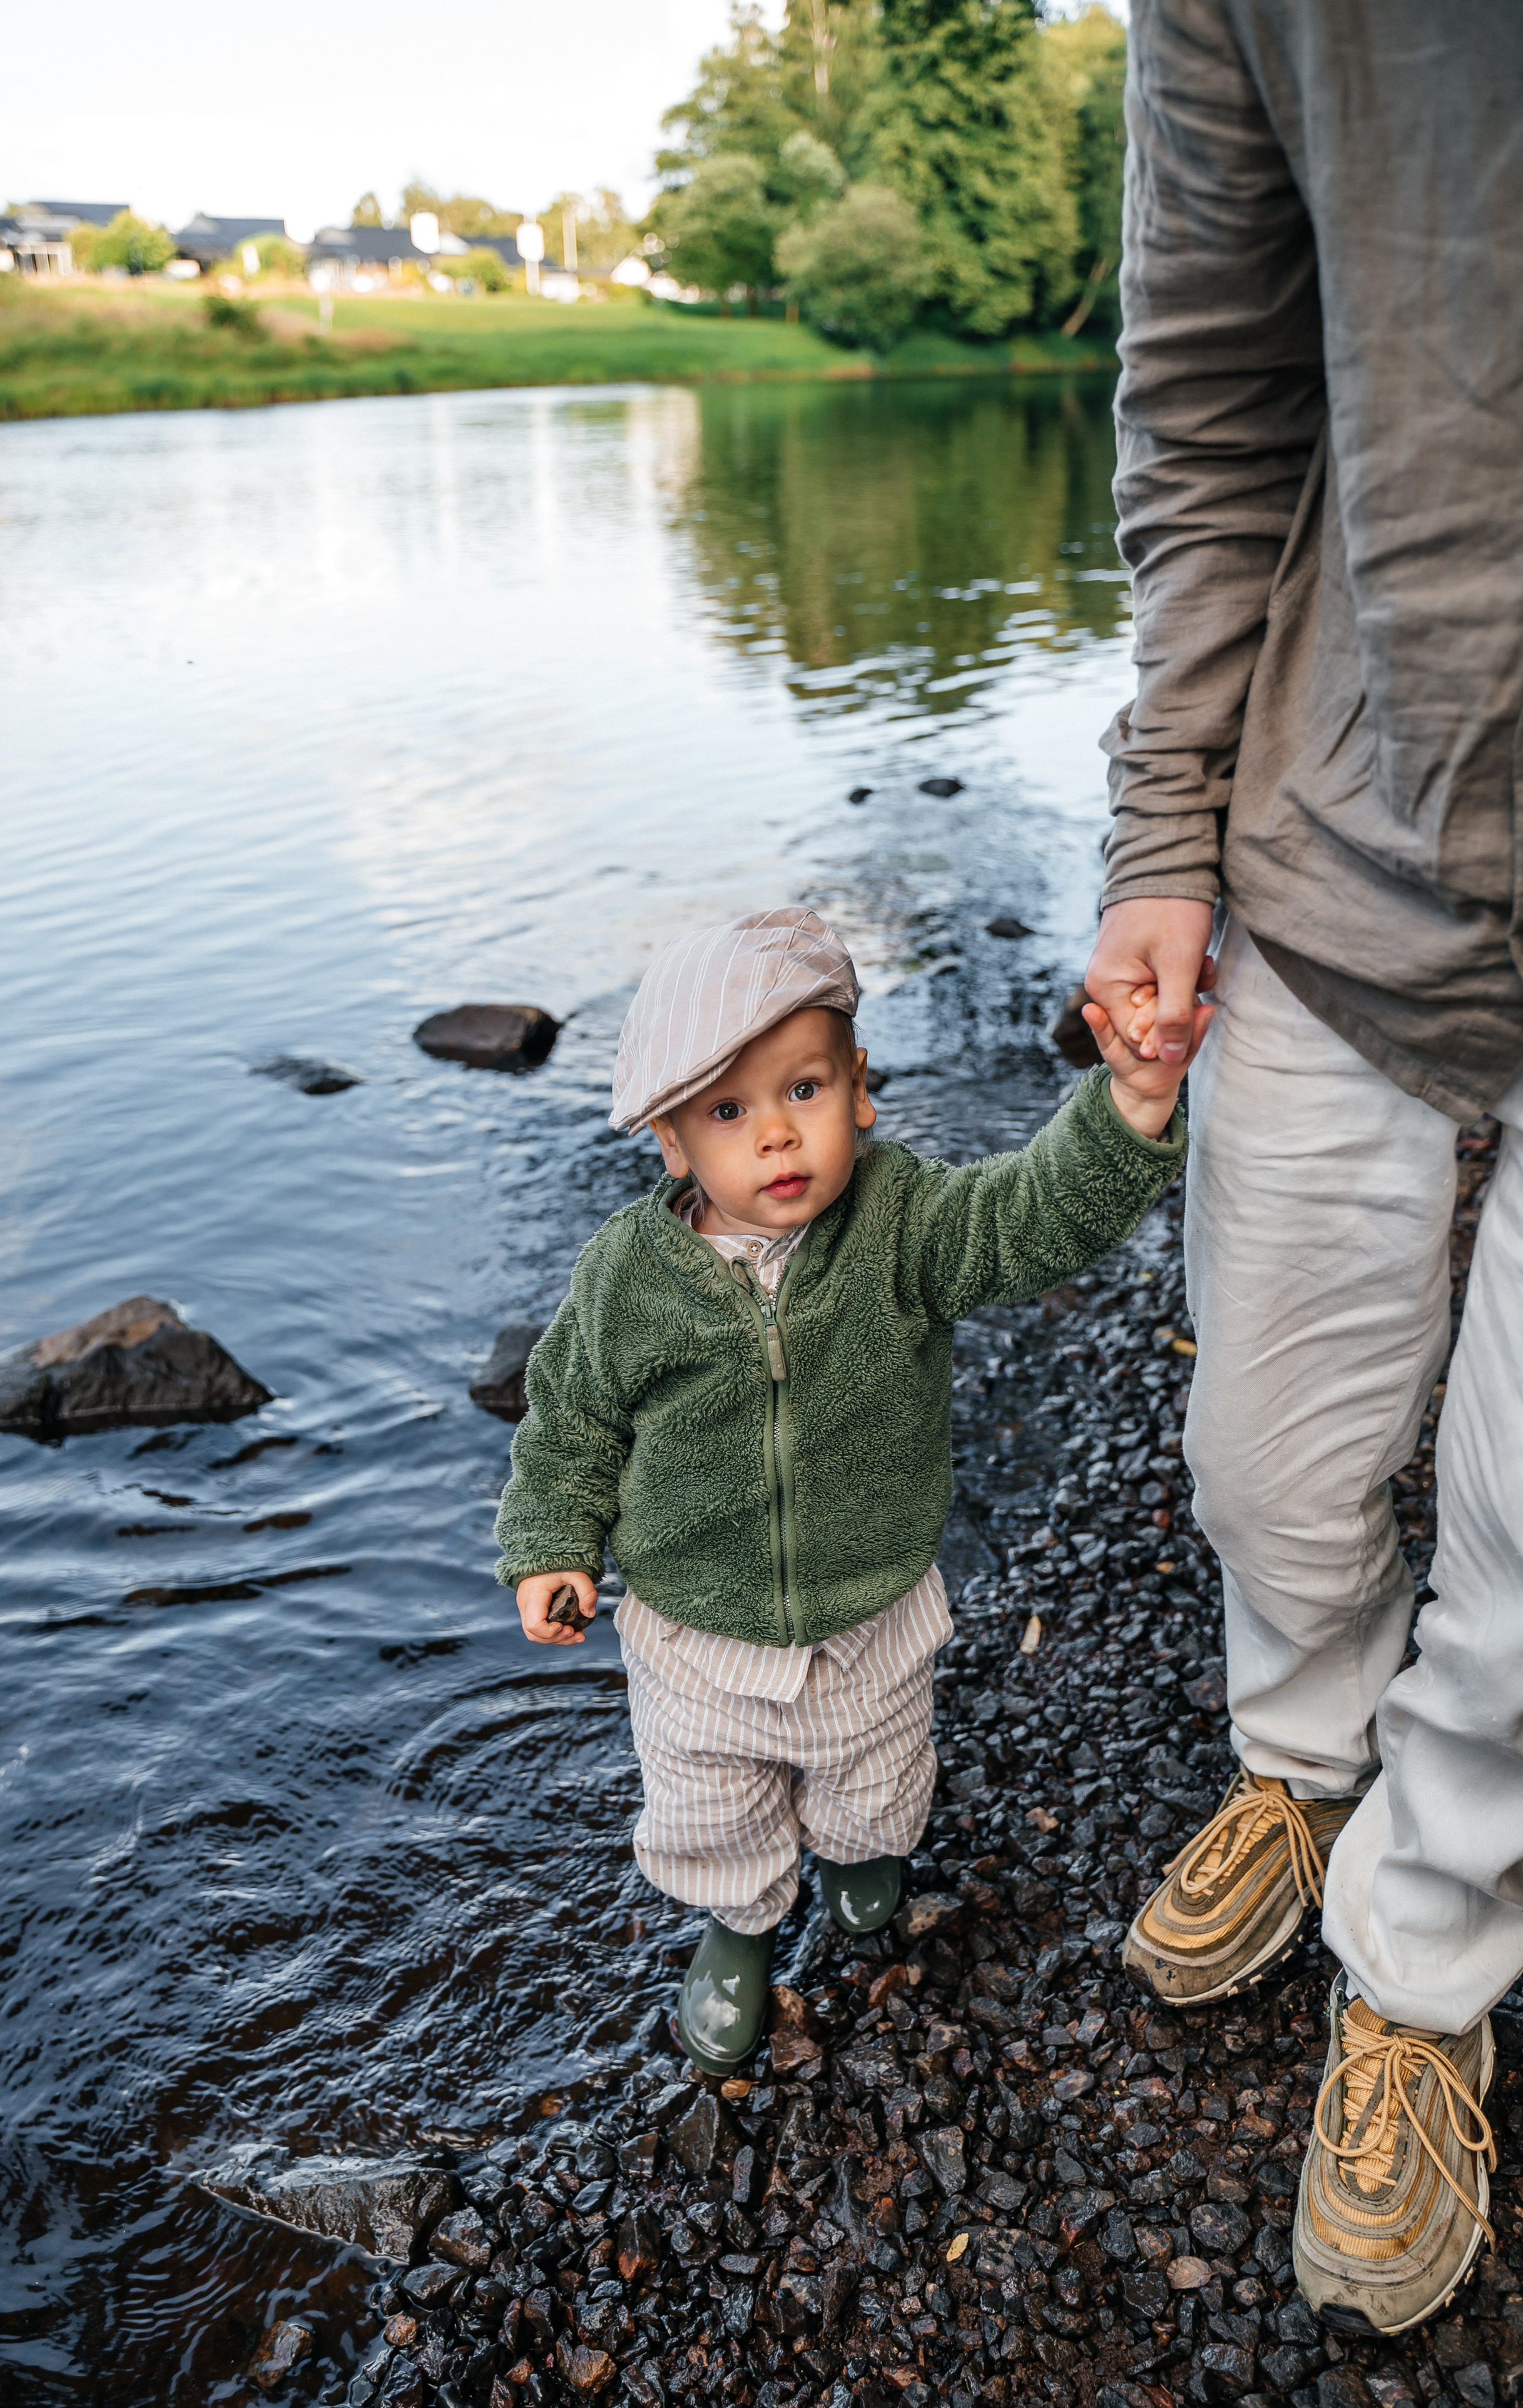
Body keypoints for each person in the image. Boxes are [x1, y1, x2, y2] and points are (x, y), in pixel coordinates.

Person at [1083, 0, 1523, 2340]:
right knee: (1261, 1455)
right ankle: (1301, 1751)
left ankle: (1427, 1947)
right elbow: (1216, 398)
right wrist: (1163, 833)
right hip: (1341, 849)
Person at [497, 906, 1203, 2075]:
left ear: (859, 1090)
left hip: (868, 1599)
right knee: (713, 1809)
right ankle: (738, 1930)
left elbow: (1025, 1220)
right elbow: (570, 1418)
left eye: (804, 1090)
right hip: (692, 1624)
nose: (776, 1137)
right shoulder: (628, 1277)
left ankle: (860, 1863)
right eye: (729, 1112)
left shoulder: (900, 1226)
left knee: (874, 1775)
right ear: (671, 1141)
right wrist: (551, 1544)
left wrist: (1127, 1110)